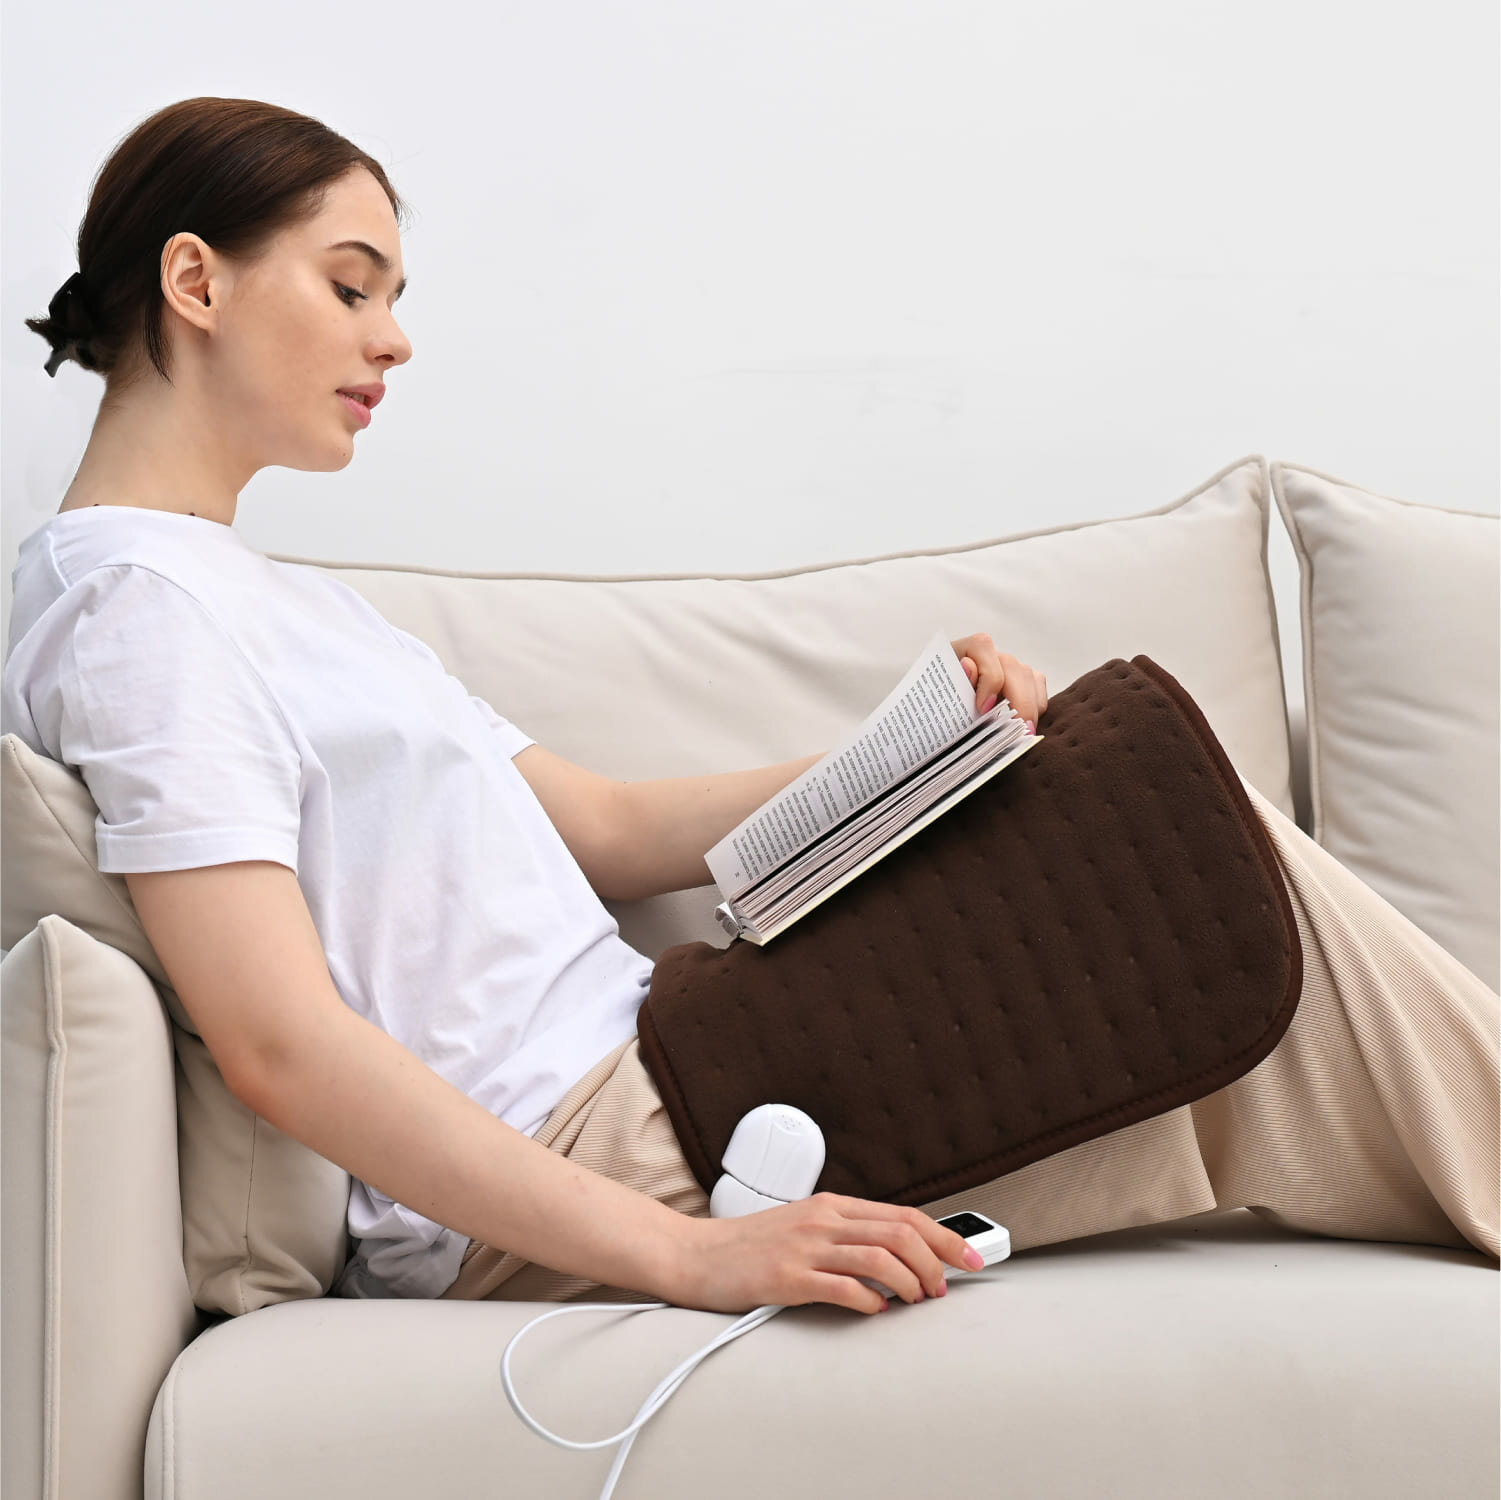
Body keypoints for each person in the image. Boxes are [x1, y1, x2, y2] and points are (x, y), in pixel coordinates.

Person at [5, 100, 1495, 1318]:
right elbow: (273, 1040)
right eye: (351, 287)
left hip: (675, 1055)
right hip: (613, 1146)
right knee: (1184, 852)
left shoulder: (275, 603)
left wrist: (929, 753)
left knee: (1137, 819)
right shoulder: (140, 615)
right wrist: (687, 1252)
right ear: (196, 282)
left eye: (394, 299)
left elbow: (600, 825)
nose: (394, 341)